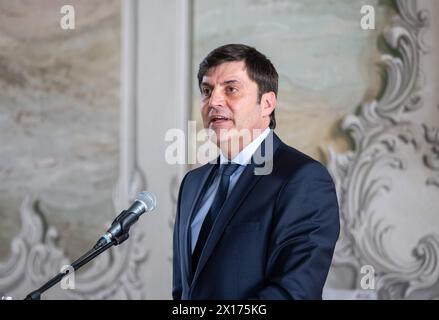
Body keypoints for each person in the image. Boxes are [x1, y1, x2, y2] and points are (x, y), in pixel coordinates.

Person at [172, 44, 340, 300]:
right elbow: (183, 293)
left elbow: (294, 293)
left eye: (231, 89)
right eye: (207, 91)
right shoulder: (192, 183)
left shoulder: (302, 178)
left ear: (267, 104)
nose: (213, 102)